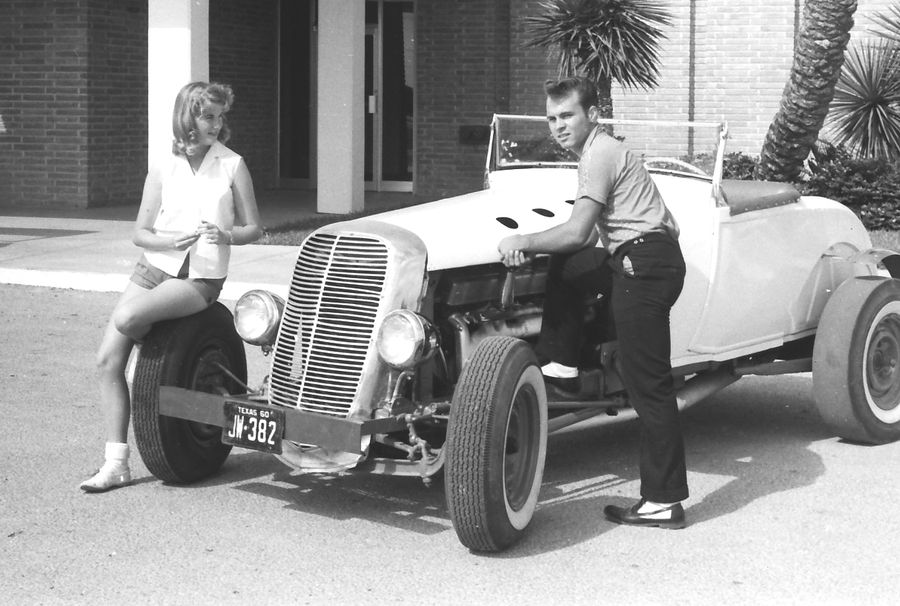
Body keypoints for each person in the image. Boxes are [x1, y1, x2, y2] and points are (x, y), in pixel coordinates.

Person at [498, 77, 688, 528]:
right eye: (551, 118)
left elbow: (577, 230)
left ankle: (664, 501)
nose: (558, 126)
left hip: (642, 267)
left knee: (650, 386)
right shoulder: (608, 151)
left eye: (567, 116)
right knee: (573, 267)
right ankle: (562, 362)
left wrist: (524, 239)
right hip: (647, 258)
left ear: (593, 115)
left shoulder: (598, 154)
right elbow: (668, 224)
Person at [81, 81, 262, 493]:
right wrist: (167, 241)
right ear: (188, 117)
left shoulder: (232, 164)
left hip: (200, 278)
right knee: (106, 361)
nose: (216, 124)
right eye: (207, 115)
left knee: (129, 318)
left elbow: (255, 227)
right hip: (154, 268)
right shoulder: (164, 165)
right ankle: (116, 464)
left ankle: (158, 350)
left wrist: (225, 234)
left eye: (220, 116)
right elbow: (140, 233)